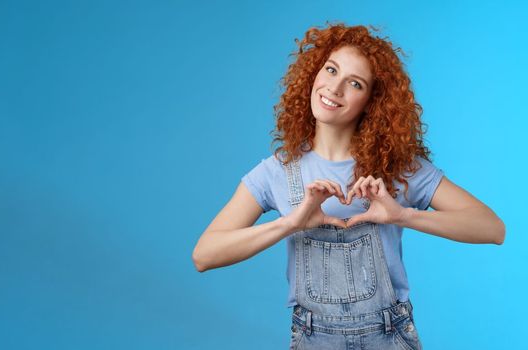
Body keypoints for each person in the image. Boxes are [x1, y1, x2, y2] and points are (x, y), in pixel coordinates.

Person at [191, 22, 506, 349]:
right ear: (313, 74)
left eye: (354, 83)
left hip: (389, 337)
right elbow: (205, 255)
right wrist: (290, 223)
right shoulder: (276, 173)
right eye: (330, 70)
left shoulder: (397, 171)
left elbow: (492, 229)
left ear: (372, 101)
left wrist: (403, 216)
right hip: (313, 339)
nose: (334, 88)